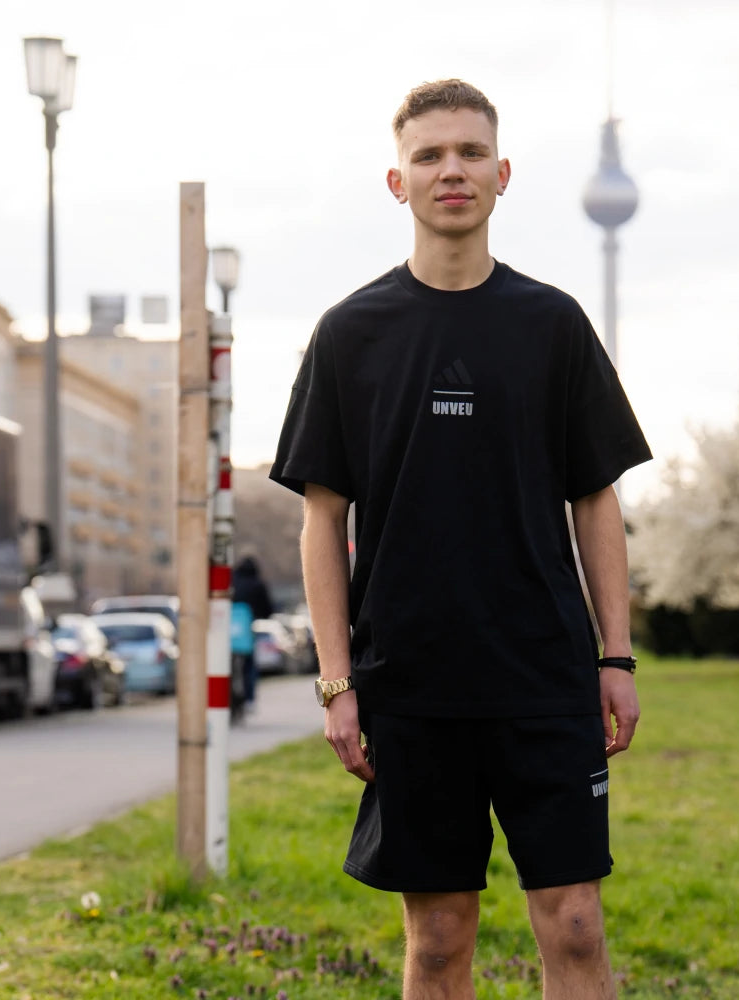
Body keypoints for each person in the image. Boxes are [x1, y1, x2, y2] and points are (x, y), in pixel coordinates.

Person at [270, 79, 652, 1000]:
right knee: (438, 938)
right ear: (397, 181)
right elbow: (322, 521)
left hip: (543, 676)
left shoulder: (553, 324)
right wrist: (337, 683)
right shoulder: (350, 334)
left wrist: (615, 657)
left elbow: (595, 501)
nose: (453, 171)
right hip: (411, 682)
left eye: (471, 153)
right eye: (430, 155)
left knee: (576, 924)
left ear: (502, 173)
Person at [231, 554, 274, 709]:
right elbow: (268, 608)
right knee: (249, 664)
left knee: (227, 662)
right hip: (246, 629)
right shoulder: (257, 583)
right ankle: (249, 698)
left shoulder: (232, 580)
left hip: (229, 631)